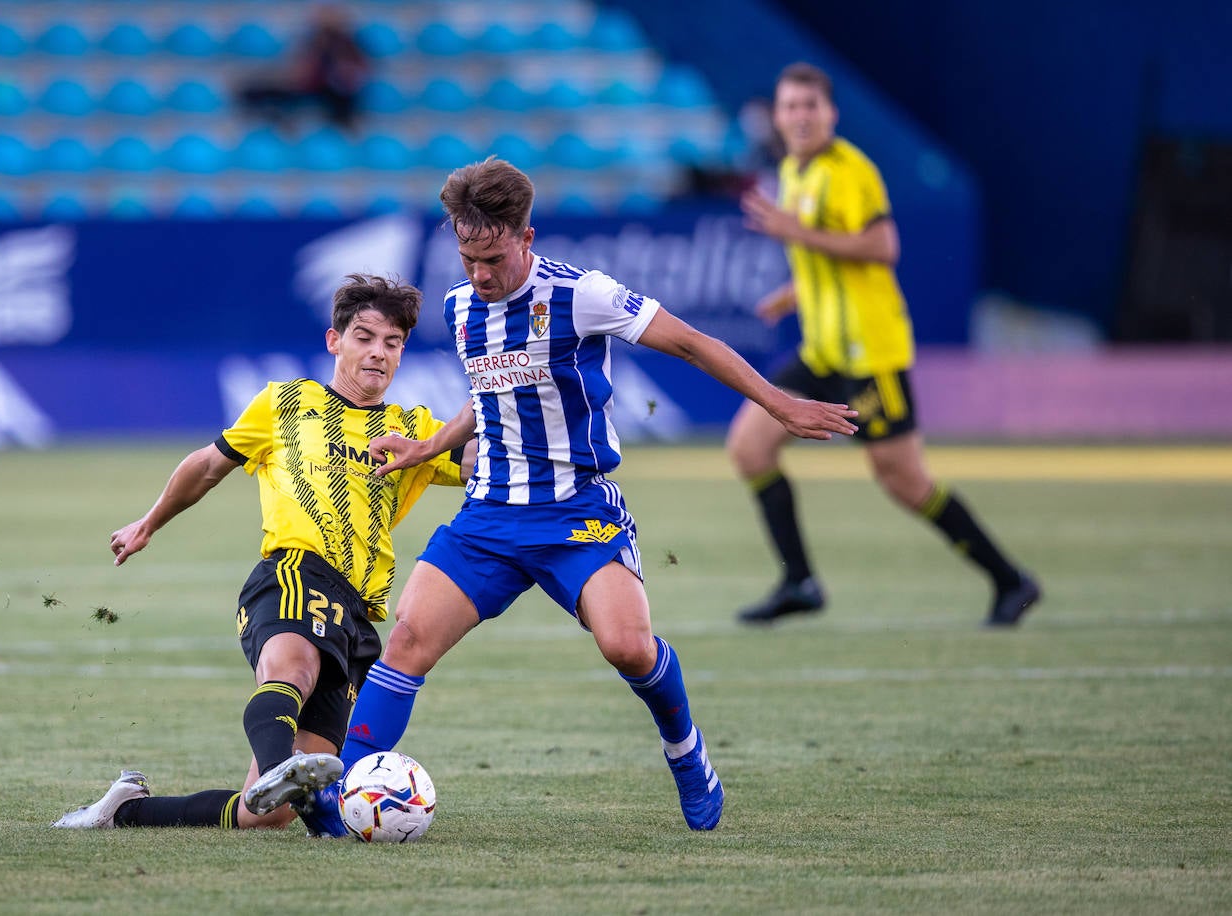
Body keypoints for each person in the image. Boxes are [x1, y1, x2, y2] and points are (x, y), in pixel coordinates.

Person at [279, 156, 859, 835]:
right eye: (468, 257)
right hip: (490, 517)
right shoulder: (461, 306)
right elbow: (488, 394)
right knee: (407, 639)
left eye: (493, 257)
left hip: (576, 513)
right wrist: (429, 448)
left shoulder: (583, 295)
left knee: (628, 648)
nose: (480, 274)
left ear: (525, 238)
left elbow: (695, 344)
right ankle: (342, 798)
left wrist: (779, 404)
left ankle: (687, 752)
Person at [52, 274, 472, 835]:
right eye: (364, 336)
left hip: (358, 614)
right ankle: (287, 774)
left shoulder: (414, 430)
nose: (377, 351)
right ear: (334, 341)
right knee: (290, 670)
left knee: (266, 813)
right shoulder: (286, 404)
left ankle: (125, 811)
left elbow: (476, 465)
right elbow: (206, 465)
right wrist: (150, 522)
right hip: (295, 573)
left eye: (391, 342)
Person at [730, 62, 1041, 629]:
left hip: (869, 354)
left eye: (810, 106)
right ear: (777, 116)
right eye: (790, 106)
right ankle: (800, 582)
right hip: (824, 349)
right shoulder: (796, 171)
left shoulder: (850, 171)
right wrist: (794, 292)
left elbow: (881, 246)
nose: (800, 116)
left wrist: (793, 234)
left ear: (830, 113)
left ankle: (1010, 579)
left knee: (903, 480)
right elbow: (832, 253)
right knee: (750, 447)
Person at [237, 5, 370, 129]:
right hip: (307, 88)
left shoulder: (347, 46)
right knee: (256, 91)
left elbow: (353, 74)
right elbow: (301, 71)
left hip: (331, 94)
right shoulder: (315, 42)